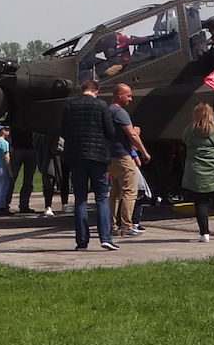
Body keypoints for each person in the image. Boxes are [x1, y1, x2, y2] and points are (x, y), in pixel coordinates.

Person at [60, 79, 120, 251]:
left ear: (82, 89)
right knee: (101, 198)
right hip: (98, 156)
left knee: (80, 199)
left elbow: (63, 130)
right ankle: (105, 237)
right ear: (96, 90)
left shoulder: (70, 106)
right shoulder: (101, 105)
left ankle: (81, 241)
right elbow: (110, 131)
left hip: (76, 156)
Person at [181, 102, 214, 242]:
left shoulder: (190, 130)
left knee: (200, 203)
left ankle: (204, 234)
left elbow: (184, 141)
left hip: (196, 170)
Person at [108, 83, 150, 238]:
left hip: (111, 156)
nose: (131, 99)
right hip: (124, 156)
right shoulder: (121, 113)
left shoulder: (107, 112)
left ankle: (112, 225)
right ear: (119, 95)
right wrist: (144, 152)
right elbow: (131, 135)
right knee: (130, 192)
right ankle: (127, 225)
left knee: (115, 192)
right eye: (128, 95)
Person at [6, 127, 40, 214]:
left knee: (28, 180)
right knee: (12, 178)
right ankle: (5, 204)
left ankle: (23, 204)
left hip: (29, 148)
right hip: (19, 148)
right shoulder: (18, 116)